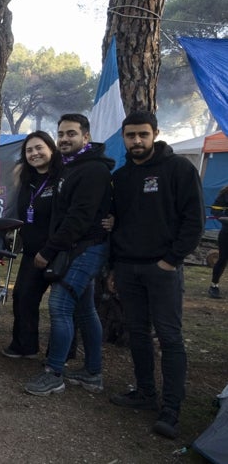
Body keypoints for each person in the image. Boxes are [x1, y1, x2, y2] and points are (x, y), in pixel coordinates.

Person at [108, 111, 204, 440]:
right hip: (127, 267)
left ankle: (172, 408)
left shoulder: (179, 170)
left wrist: (170, 260)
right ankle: (146, 393)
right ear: (124, 138)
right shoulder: (120, 178)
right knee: (137, 333)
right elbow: (117, 223)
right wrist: (113, 266)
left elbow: (194, 221)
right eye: (130, 135)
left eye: (142, 135)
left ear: (155, 134)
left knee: (170, 337)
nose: (136, 141)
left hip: (163, 269)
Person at [25, 113, 113, 397]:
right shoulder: (70, 167)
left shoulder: (93, 170)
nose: (64, 138)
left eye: (71, 134)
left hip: (86, 247)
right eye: (61, 133)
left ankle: (54, 373)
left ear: (85, 137)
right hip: (77, 246)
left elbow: (79, 218)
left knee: (60, 307)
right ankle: (92, 372)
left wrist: (49, 249)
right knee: (85, 310)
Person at [2, 131, 62, 360]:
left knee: (61, 308)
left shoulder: (63, 177)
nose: (34, 153)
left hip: (59, 250)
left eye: (39, 148)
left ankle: (59, 355)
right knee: (23, 297)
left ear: (51, 149)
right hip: (31, 252)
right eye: (29, 150)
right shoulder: (26, 180)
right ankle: (24, 346)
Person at [208, 185, 228, 298]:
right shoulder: (226, 193)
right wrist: (224, 219)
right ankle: (214, 285)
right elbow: (215, 209)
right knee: (223, 259)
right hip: (227, 232)